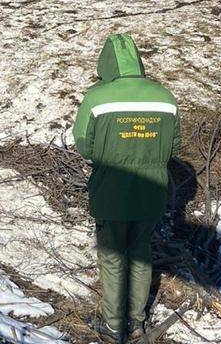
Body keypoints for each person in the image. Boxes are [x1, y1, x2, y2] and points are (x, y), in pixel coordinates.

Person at [72, 33, 181, 343]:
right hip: (151, 192)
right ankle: (136, 321)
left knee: (112, 256)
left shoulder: (97, 98)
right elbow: (173, 147)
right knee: (141, 253)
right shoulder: (165, 98)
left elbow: (83, 143)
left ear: (106, 63)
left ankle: (112, 323)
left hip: (111, 191)